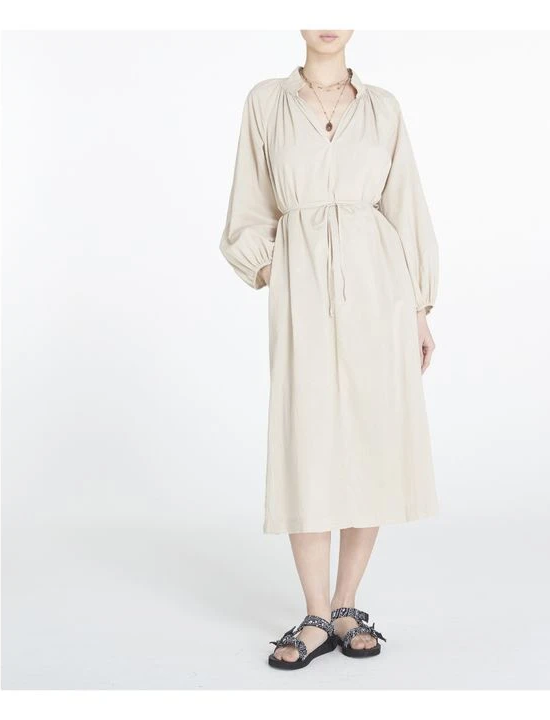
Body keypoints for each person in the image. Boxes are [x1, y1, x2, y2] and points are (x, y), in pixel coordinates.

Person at [220, 29, 439, 670]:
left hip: (380, 289)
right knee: (307, 439)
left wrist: (419, 309)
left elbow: (406, 206)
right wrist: (274, 270)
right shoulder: (267, 102)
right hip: (304, 290)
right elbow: (248, 204)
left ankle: (346, 604)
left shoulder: (383, 107)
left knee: (372, 438)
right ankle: (315, 613)